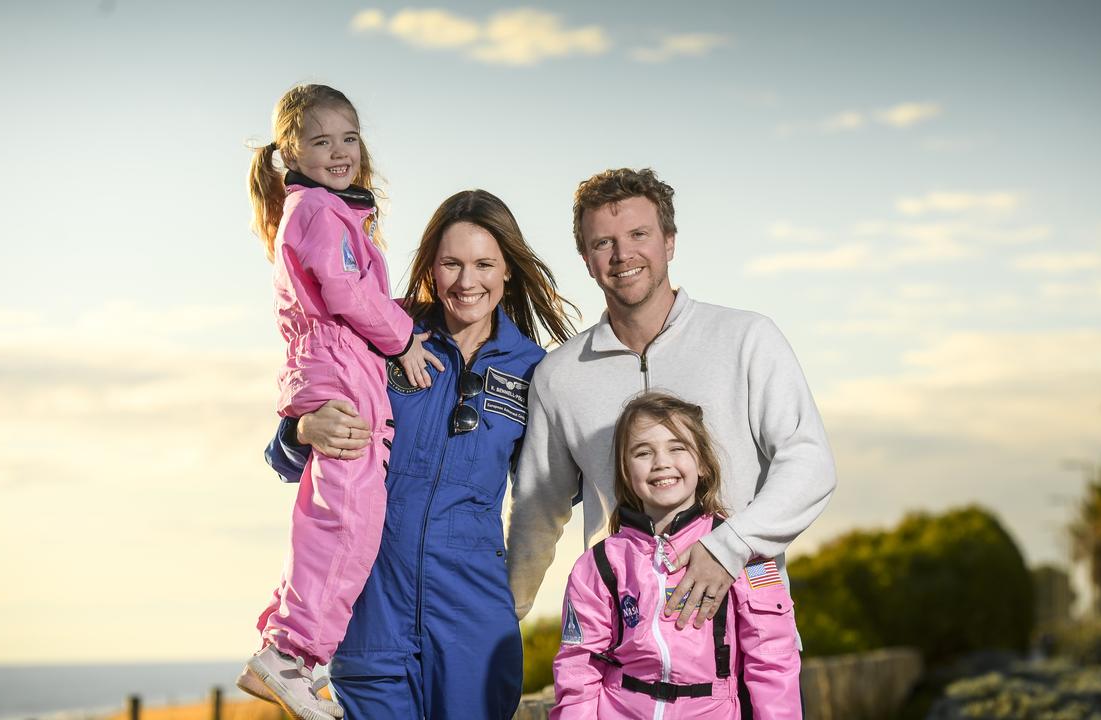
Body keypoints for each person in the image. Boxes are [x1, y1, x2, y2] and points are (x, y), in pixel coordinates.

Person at [265, 189, 578, 719]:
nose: (466, 281)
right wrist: (301, 430)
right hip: (370, 612)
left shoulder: (535, 370)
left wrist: (515, 599)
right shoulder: (379, 332)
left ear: (508, 271)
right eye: (451, 263)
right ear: (430, 268)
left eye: (484, 264)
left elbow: (546, 499)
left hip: (473, 618)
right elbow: (286, 457)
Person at [507, 168, 837, 636]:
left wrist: (730, 546)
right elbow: (537, 510)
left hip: (747, 637)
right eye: (603, 242)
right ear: (585, 257)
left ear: (670, 242)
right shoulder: (558, 376)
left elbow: (810, 463)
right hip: (626, 653)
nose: (623, 255)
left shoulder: (746, 338)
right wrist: (506, 615)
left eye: (639, 234)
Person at [239, 83, 439, 720]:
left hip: (339, 368)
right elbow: (348, 296)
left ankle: (287, 649)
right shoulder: (321, 211)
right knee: (347, 519)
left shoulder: (330, 212)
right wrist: (404, 338)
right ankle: (291, 654)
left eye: (349, 138)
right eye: (321, 141)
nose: (340, 151)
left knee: (337, 516)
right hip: (337, 372)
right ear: (292, 151)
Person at [549, 392, 801, 719]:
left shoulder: (744, 550)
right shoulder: (598, 564)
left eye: (677, 447)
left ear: (702, 463)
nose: (661, 462)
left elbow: (773, 657)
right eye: (643, 452)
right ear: (625, 471)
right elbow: (578, 667)